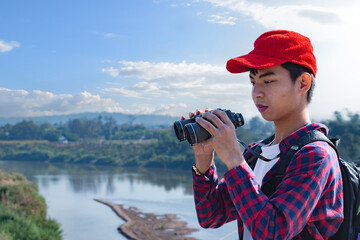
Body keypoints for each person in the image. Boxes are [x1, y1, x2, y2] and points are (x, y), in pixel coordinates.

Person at [189, 30, 344, 239]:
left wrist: (235, 159)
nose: (256, 92)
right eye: (253, 82)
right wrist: (203, 159)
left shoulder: (316, 155)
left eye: (267, 81)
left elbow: (273, 232)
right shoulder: (258, 153)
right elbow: (211, 216)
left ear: (303, 84)